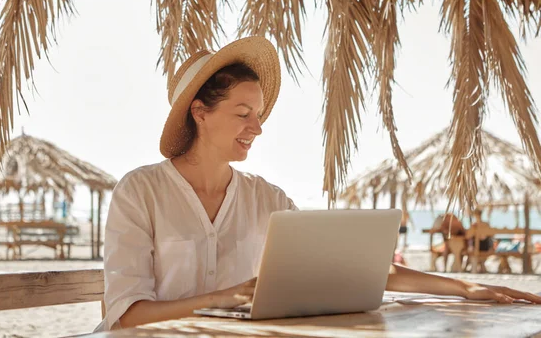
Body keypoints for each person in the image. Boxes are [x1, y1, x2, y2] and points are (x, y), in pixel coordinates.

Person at [97, 37, 541, 332]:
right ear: (199, 112)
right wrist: (224, 297)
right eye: (243, 113)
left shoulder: (267, 199)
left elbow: (353, 270)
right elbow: (126, 315)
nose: (257, 127)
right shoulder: (140, 193)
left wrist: (464, 288)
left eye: (259, 114)